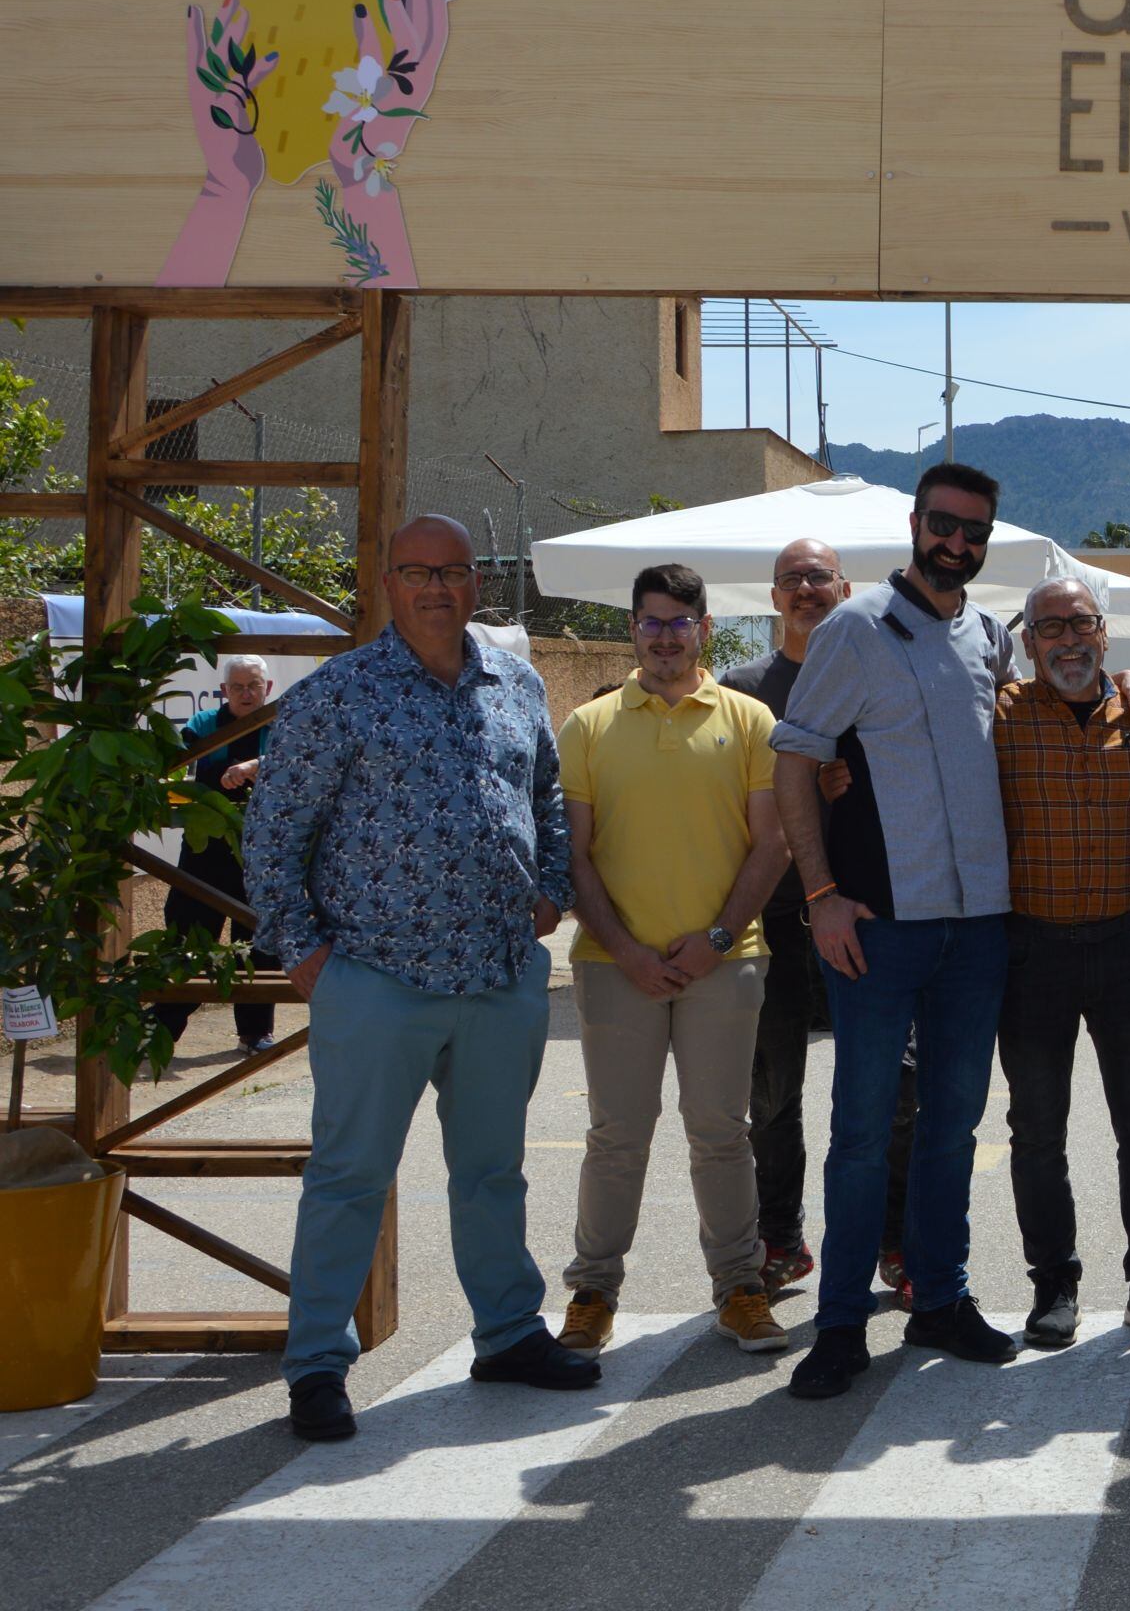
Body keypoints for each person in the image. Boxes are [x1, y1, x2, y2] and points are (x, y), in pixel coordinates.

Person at [246, 517, 590, 1444]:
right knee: (350, 1175)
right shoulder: (341, 694)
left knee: (491, 1174)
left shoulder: (517, 684)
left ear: (478, 584)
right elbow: (275, 826)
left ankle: (509, 1334)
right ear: (389, 583)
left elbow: (548, 793)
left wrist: (551, 891)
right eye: (417, 572)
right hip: (376, 975)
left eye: (453, 571)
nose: (437, 586)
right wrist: (305, 953)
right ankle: (318, 1365)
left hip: (497, 973)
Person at [768, 462, 1027, 1398]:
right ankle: (839, 1324)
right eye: (944, 524)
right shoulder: (852, 628)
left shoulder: (990, 637)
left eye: (974, 530)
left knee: (954, 1126)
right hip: (877, 925)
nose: (957, 542)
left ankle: (942, 1300)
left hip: (980, 927)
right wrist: (821, 892)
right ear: (917, 524)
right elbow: (795, 761)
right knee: (862, 1133)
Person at [552, 563, 790, 1359]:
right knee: (617, 1136)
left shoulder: (751, 720)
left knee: (721, 1132)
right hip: (615, 967)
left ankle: (740, 1289)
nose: (663, 636)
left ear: (704, 630)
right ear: (632, 629)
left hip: (726, 962)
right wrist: (625, 949)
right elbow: (575, 855)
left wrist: (717, 937)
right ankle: (592, 1293)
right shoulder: (587, 726)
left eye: (678, 622)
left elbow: (774, 842)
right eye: (649, 622)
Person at [992, 573, 1130, 1349]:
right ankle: (1054, 1288)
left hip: (1126, 941)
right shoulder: (1000, 716)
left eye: (1081, 624)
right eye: (1049, 628)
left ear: (1105, 634)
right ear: (1028, 641)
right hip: (1031, 947)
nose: (1068, 640)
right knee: (1036, 1130)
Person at [720, 541, 920, 1302]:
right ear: (774, 597)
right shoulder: (741, 691)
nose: (806, 590)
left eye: (819, 578)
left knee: (893, 1093)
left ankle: (895, 1245)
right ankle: (781, 1239)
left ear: (845, 589)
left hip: (870, 915)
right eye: (791, 580)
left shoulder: (883, 674)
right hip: (772, 922)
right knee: (771, 1097)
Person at [155, 655, 280, 1053]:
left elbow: (300, 763)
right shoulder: (202, 725)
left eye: (254, 685)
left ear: (268, 688)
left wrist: (252, 766)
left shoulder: (282, 725)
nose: (246, 693)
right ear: (224, 691)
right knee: (188, 937)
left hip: (261, 852)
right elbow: (175, 763)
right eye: (238, 687)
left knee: (259, 944)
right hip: (205, 852)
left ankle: (255, 1032)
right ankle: (160, 1031)